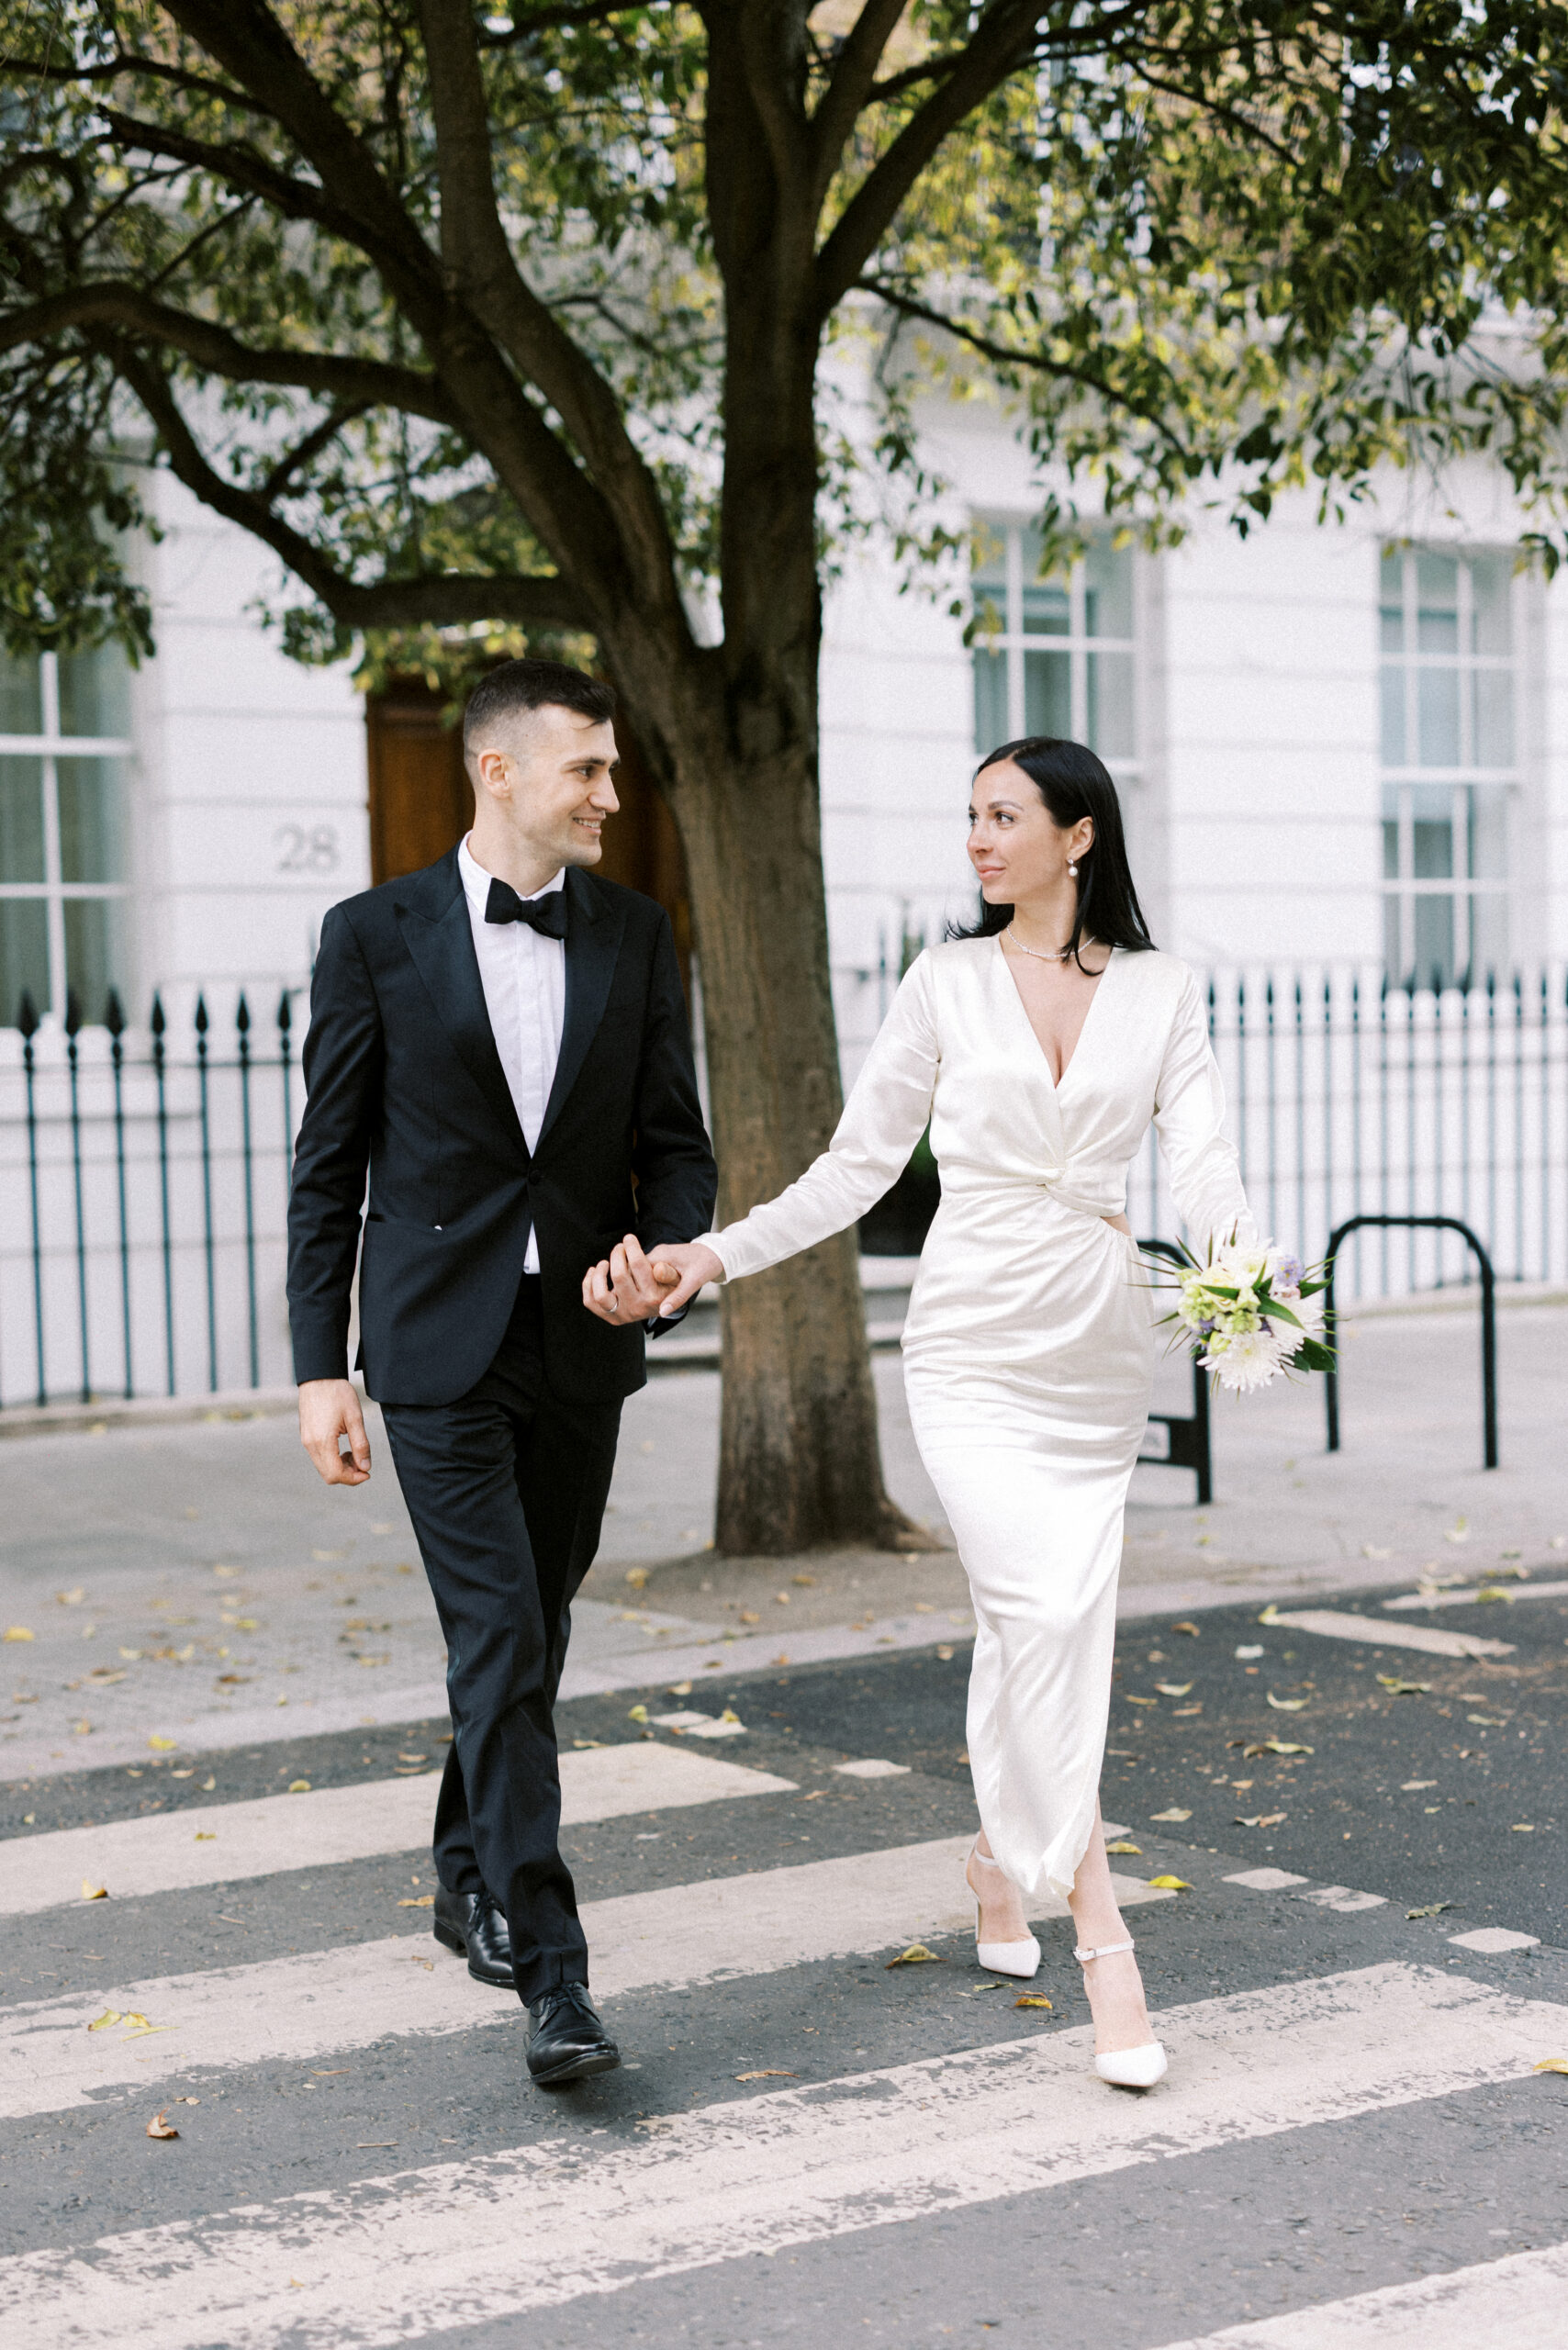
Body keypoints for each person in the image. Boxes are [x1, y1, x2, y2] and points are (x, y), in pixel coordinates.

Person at [592, 735, 1255, 2091]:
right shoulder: (944, 981)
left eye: (1004, 815)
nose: (978, 839)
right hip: (970, 1346)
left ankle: (995, 1864)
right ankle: (1106, 1947)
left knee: (1038, 1621)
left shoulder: (1164, 991)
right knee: (1041, 1613)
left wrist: (1251, 1288)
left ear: (1079, 835)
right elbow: (856, 1168)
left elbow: (1203, 1165)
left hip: (1093, 1348)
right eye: (971, 816)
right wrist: (712, 1255)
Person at [287, 657, 716, 2087]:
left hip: (581, 1342)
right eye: (588, 769)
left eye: (611, 768)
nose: (612, 795)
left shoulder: (638, 933)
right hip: (434, 1349)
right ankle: (554, 1973)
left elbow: (676, 1142)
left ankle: (464, 1867)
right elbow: (328, 1166)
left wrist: (662, 1254)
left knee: (533, 1629)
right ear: (500, 773)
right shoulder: (372, 934)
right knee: (500, 1638)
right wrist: (321, 1369)